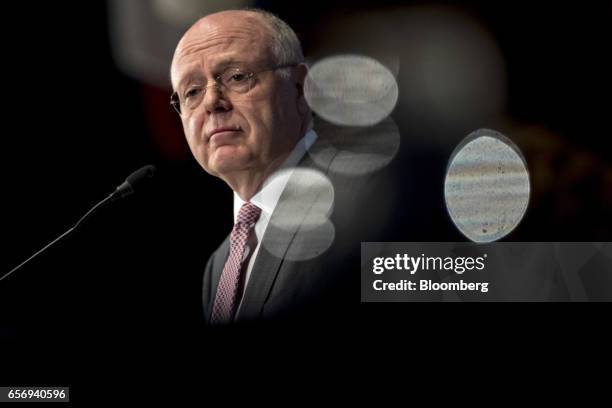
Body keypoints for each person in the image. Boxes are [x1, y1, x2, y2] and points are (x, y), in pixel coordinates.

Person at [170, 9, 392, 325]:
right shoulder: (218, 265)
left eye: (236, 77)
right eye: (191, 91)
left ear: (300, 88)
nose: (211, 102)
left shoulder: (367, 201)